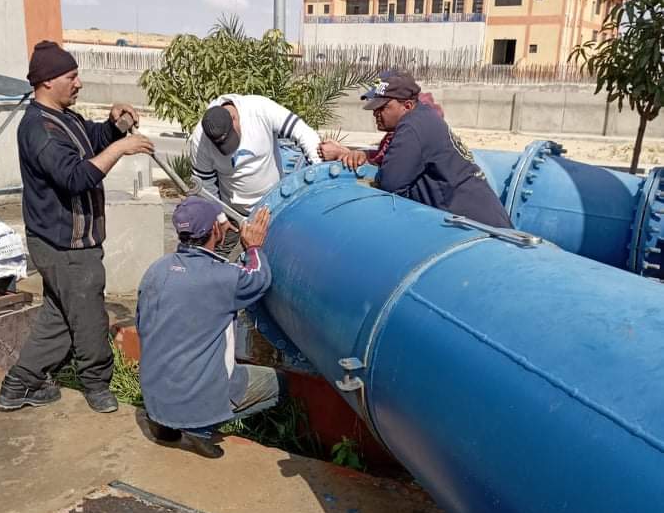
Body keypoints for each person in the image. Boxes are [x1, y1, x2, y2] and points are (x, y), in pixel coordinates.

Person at [0, 40, 154, 414]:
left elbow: (91, 142)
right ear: (47, 81)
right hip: (65, 246)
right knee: (88, 318)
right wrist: (122, 148)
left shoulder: (66, 118)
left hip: (68, 242)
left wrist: (114, 128)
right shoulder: (39, 130)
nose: (79, 83)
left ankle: (19, 385)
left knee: (59, 317)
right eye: (72, 76)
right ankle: (97, 384)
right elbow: (75, 177)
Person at [136, 196, 285, 459]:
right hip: (195, 401)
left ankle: (164, 423)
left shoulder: (156, 270)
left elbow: (141, 323)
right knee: (279, 384)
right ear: (216, 229)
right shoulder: (224, 277)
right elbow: (260, 278)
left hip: (155, 397)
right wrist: (253, 247)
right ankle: (201, 426)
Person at [320, 71, 511, 228]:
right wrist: (354, 154)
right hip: (485, 218)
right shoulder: (422, 117)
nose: (375, 113)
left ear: (407, 105)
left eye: (382, 107)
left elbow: (390, 184)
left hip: (478, 227)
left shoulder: (411, 127)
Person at [189, 94, 322, 255]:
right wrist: (221, 217)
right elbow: (205, 185)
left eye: (230, 139)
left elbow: (304, 133)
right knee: (219, 260)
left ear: (234, 119)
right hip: (234, 215)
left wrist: (319, 171)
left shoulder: (260, 110)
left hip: (275, 207)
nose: (228, 149)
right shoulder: (200, 140)